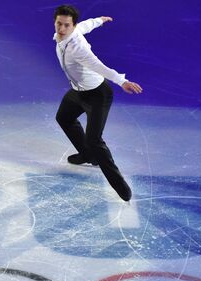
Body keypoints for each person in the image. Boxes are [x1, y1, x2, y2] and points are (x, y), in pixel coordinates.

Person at [53, 4, 142, 201]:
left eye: (66, 25)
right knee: (64, 118)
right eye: (59, 23)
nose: (61, 29)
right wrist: (99, 21)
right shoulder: (64, 34)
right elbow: (85, 26)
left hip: (97, 95)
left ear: (72, 26)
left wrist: (122, 81)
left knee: (95, 140)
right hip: (78, 92)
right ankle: (87, 155)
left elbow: (99, 66)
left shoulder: (78, 48)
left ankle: (121, 188)